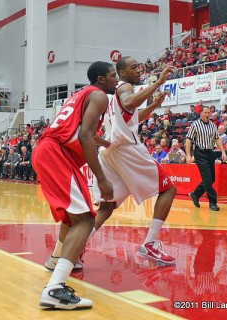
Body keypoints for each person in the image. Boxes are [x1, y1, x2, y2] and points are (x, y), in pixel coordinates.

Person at [44, 59, 177, 272]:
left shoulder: (109, 95)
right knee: (169, 189)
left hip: (110, 151)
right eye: (133, 67)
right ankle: (149, 244)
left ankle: (75, 252)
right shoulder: (125, 87)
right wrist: (158, 82)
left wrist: (153, 105)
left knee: (106, 207)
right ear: (121, 72)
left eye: (138, 66)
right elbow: (129, 103)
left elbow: (131, 118)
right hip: (126, 150)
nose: (138, 69)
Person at [35, 61, 116, 309]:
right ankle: (55, 289)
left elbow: (84, 132)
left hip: (49, 149)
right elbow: (84, 135)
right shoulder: (100, 96)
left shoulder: (80, 94)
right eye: (113, 75)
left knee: (73, 218)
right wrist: (102, 179)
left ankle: (55, 260)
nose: (116, 80)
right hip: (57, 153)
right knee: (85, 220)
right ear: (101, 79)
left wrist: (105, 143)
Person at [186, 106, 226, 211]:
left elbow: (217, 139)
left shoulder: (213, 125)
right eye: (205, 112)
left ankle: (195, 194)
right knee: (207, 178)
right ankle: (213, 202)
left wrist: (223, 151)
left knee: (212, 178)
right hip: (199, 153)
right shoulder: (195, 125)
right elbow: (188, 140)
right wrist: (188, 155)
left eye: (209, 112)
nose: (207, 114)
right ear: (201, 113)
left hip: (210, 152)